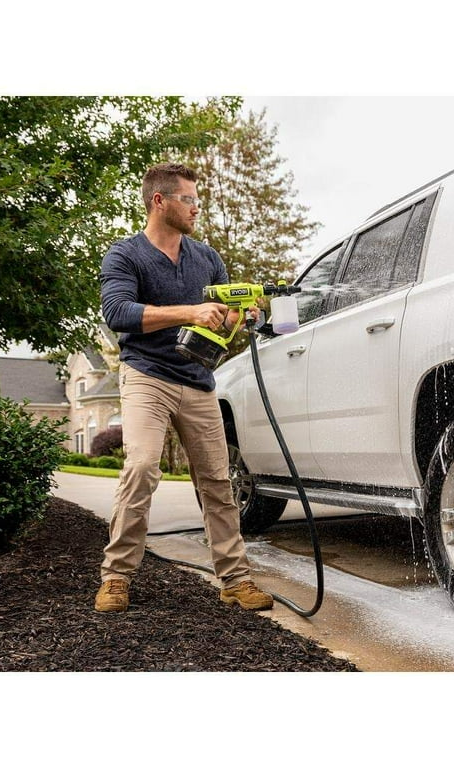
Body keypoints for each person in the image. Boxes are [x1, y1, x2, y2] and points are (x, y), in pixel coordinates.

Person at [94, 162, 273, 613]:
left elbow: (222, 321)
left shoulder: (207, 258)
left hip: (197, 380)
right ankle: (116, 577)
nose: (197, 207)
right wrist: (189, 312)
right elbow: (117, 312)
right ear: (160, 201)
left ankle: (235, 580)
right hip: (146, 376)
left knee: (217, 481)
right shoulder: (125, 255)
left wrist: (240, 317)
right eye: (188, 199)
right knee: (141, 468)